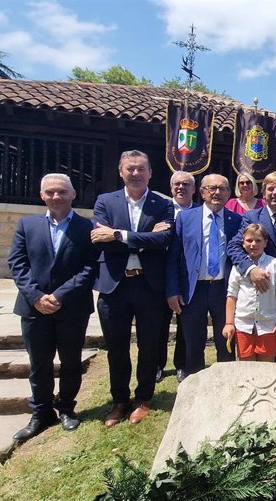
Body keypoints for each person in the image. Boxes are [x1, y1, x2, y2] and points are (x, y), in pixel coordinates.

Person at [7, 174, 97, 441]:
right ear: (42, 195)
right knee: (39, 364)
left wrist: (59, 296)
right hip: (33, 309)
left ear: (72, 195)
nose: (56, 196)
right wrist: (36, 296)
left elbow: (89, 267)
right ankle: (42, 412)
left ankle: (67, 408)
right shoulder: (27, 225)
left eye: (61, 192)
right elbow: (17, 264)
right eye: (50, 192)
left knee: (70, 362)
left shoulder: (86, 227)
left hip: (71, 308)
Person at [91, 150, 174, 427]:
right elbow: (97, 237)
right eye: (130, 169)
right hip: (115, 285)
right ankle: (119, 400)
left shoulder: (162, 204)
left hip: (149, 286)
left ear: (150, 173)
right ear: (121, 171)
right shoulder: (105, 201)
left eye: (141, 169)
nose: (135, 173)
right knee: (116, 347)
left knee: (149, 345)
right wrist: (144, 237)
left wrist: (118, 234)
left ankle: (144, 398)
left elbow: (163, 239)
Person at [166, 174, 242, 375]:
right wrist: (172, 291)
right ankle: (194, 384)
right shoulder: (186, 217)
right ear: (202, 192)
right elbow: (173, 257)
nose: (217, 192)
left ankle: (226, 384)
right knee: (193, 342)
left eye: (223, 189)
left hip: (223, 290)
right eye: (212, 188)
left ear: (229, 193)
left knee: (225, 339)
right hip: (194, 290)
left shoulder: (236, 220)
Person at [228, 172, 276, 362]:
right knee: (252, 346)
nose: (274, 193)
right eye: (270, 189)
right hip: (255, 289)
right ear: (263, 193)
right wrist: (251, 270)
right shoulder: (251, 217)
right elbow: (233, 247)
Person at [223, 224, 276, 361]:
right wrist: (229, 323)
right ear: (243, 242)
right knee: (246, 368)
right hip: (243, 325)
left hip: (268, 325)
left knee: (266, 369)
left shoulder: (274, 264)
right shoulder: (238, 267)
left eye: (258, 241)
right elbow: (231, 296)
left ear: (265, 243)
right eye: (249, 240)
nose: (253, 244)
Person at [156, 171, 195, 384]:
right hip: (158, 275)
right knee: (159, 323)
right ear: (171, 188)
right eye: (177, 184)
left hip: (187, 276)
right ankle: (157, 364)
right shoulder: (160, 210)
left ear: (193, 189)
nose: (181, 187)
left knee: (185, 324)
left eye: (186, 184)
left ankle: (181, 364)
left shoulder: (200, 211)